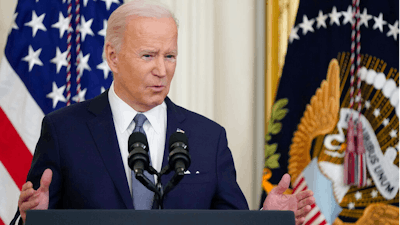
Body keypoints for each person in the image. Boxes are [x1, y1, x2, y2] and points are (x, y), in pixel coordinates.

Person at [11, 1, 314, 225]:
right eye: (148, 56)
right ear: (112, 56)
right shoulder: (64, 131)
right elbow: (38, 214)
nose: (162, 70)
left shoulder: (208, 139)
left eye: (170, 56)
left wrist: (268, 219)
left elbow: (232, 223)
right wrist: (32, 219)